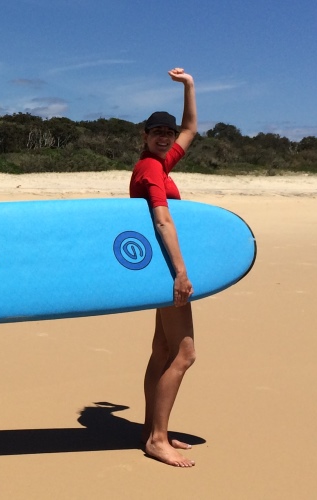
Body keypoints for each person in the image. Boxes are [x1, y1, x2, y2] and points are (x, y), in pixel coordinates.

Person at [129, 68, 198, 467]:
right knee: (185, 354)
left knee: (162, 351)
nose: (165, 136)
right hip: (167, 268)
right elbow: (162, 220)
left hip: (157, 266)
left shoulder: (158, 162)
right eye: (156, 131)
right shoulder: (153, 169)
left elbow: (190, 129)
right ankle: (157, 439)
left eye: (167, 132)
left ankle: (150, 429)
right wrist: (181, 273)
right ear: (145, 135)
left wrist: (188, 85)